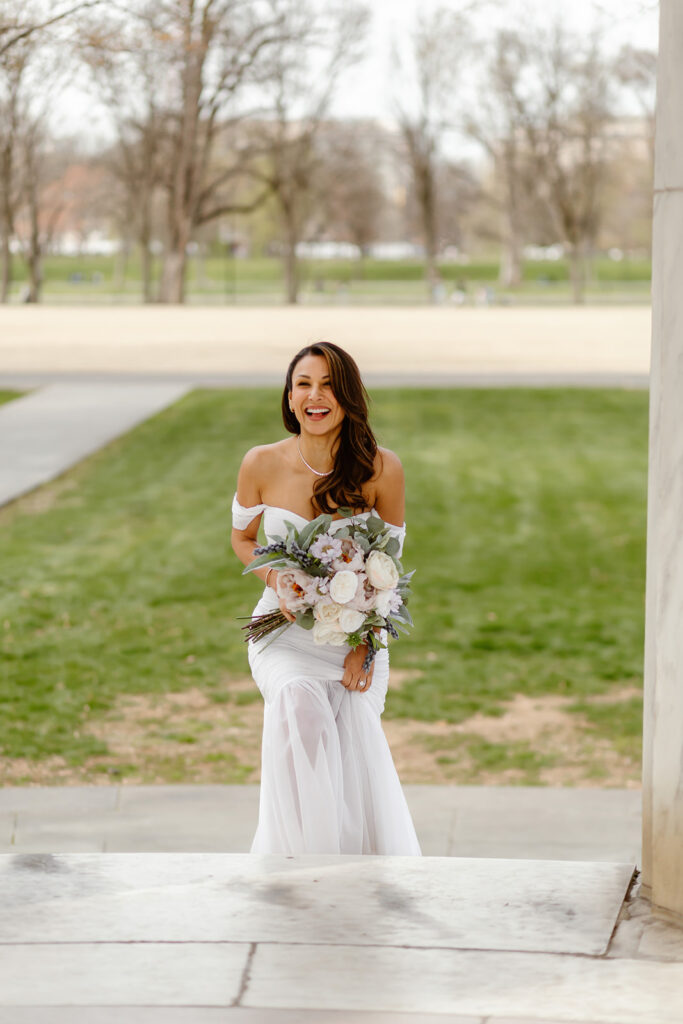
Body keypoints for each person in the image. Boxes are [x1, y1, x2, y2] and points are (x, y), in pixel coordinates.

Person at [231, 341, 421, 856]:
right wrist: (278, 581)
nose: (316, 396)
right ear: (290, 397)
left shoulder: (382, 469)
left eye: (329, 385)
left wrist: (368, 644)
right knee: (299, 708)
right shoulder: (261, 463)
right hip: (283, 636)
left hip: (355, 639)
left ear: (349, 396)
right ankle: (305, 866)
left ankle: (355, 871)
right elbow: (243, 540)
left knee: (353, 738)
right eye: (304, 384)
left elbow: (387, 570)